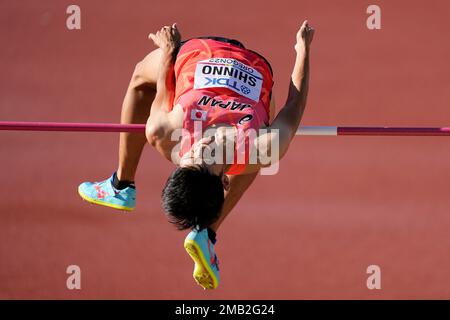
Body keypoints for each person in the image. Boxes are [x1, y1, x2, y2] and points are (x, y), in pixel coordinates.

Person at [78, 21, 314, 289]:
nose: (200, 149)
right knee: (255, 157)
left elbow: (165, 86)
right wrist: (303, 48)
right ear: (225, 181)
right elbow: (295, 104)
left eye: (189, 159)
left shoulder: (163, 131)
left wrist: (169, 50)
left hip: (195, 53)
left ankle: (122, 184)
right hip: (253, 64)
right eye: (207, 161)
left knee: (140, 79)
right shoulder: (262, 148)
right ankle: (207, 231)